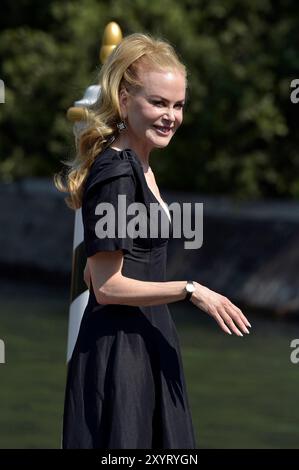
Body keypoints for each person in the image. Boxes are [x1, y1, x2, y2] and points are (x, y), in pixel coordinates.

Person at [54, 32, 251, 449]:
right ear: (124, 100)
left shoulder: (141, 166)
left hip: (144, 347)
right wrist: (190, 290)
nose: (171, 116)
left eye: (178, 105)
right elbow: (106, 288)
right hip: (121, 358)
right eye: (158, 103)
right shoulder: (118, 173)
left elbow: (94, 272)